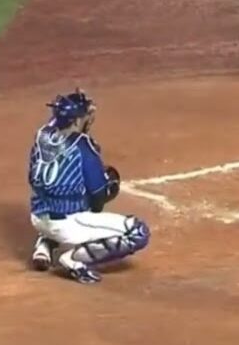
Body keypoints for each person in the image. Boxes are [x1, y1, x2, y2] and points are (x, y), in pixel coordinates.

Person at [28, 89, 150, 284]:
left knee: (57, 192)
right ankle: (74, 260)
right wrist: (104, 191)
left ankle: (44, 244)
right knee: (138, 232)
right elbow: (98, 193)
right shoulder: (83, 146)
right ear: (76, 120)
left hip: (37, 217)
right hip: (66, 225)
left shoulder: (42, 135)